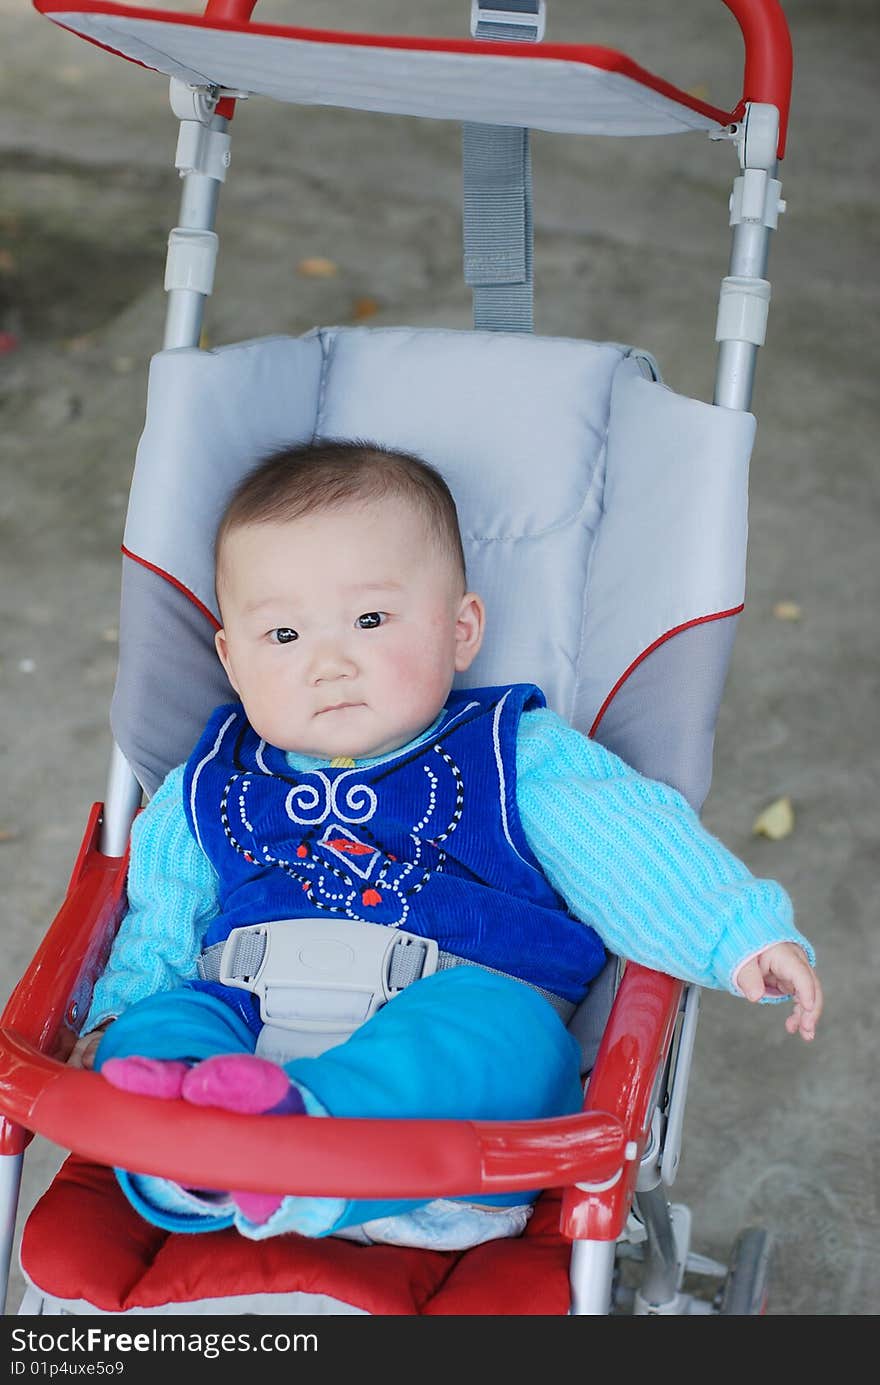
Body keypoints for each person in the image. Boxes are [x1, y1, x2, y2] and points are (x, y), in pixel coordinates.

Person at [69, 439, 823, 1249]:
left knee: (504, 1035)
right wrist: (121, 1012)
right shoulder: (207, 781)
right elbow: (161, 917)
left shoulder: (511, 750)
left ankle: (293, 1142)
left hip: (448, 1069)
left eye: (368, 620)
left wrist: (734, 930)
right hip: (248, 1017)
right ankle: (206, 1162)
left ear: (461, 630)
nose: (328, 663)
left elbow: (630, 847)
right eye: (283, 635)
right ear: (232, 659)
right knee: (160, 1031)